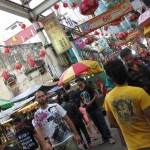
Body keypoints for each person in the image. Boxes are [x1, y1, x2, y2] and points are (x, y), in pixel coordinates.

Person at [104, 59, 150, 150]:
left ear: (110, 79)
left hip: (132, 146)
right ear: (126, 72)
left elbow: (112, 123)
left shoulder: (108, 98)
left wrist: (126, 122)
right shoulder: (139, 92)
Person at [75, 77, 115, 145]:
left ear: (82, 81)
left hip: (95, 107)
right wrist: (82, 105)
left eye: (79, 81)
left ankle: (109, 137)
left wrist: (90, 102)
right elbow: (81, 101)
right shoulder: (78, 92)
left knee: (102, 122)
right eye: (77, 82)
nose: (78, 83)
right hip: (89, 110)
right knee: (97, 124)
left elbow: (95, 95)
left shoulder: (88, 87)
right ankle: (104, 137)